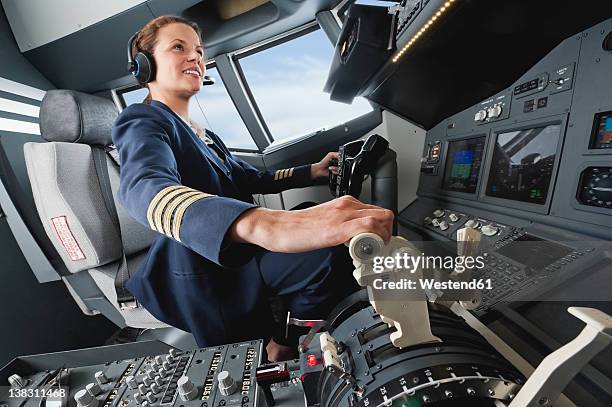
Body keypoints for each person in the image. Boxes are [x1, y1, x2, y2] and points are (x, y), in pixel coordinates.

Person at [112, 15, 394, 360]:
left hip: (238, 250)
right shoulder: (142, 120)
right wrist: (262, 224)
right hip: (201, 263)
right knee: (330, 252)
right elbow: (143, 187)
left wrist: (313, 172)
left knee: (309, 209)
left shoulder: (203, 134)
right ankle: (283, 345)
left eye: (199, 51)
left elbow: (249, 178)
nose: (195, 58)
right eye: (178, 47)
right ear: (144, 66)